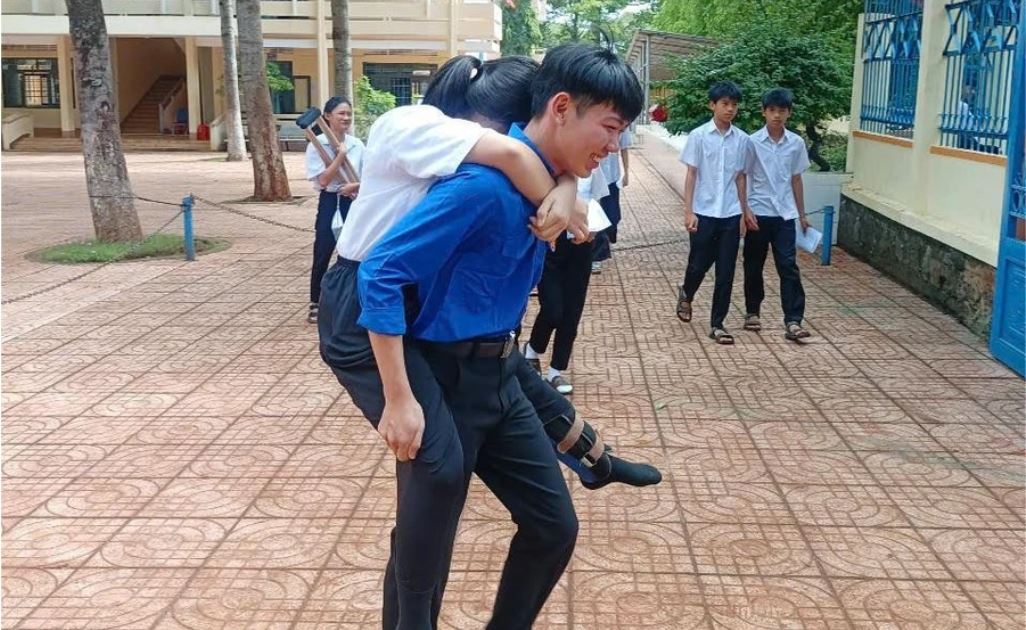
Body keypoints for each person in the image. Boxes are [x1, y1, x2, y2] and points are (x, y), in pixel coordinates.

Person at [318, 53, 659, 630]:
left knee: (550, 517)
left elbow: (565, 185)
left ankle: (595, 459)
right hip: (391, 332)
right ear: (550, 111)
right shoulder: (459, 166)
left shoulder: (543, 181)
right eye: (610, 128)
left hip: (492, 356)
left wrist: (569, 180)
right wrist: (400, 400)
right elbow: (380, 274)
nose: (614, 143)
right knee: (436, 492)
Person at [674, 80, 755, 345]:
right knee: (698, 264)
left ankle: (718, 324)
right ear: (713, 105)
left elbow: (741, 178)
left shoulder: (742, 139)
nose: (730, 109)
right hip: (704, 211)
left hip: (730, 213)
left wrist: (744, 211)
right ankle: (686, 292)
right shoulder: (699, 136)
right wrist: (689, 211)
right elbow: (691, 174)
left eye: (734, 105)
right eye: (725, 104)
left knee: (726, 270)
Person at [524, 168, 609, 394]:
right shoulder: (549, 168)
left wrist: (594, 228)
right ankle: (532, 349)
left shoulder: (593, 168)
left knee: (572, 311)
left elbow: (596, 200)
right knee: (553, 309)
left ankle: (556, 371)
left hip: (581, 244)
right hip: (551, 243)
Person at [742, 88, 812, 341]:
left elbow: (796, 179)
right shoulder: (752, 142)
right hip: (758, 212)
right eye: (772, 110)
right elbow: (744, 177)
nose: (777, 115)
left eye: (782, 110)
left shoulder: (795, 143)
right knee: (753, 264)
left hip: (784, 214)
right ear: (764, 112)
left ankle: (793, 319)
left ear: (789, 113)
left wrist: (802, 214)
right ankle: (752, 312)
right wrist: (745, 211)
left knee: (788, 266)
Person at [305, 96, 363, 323]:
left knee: (354, 251)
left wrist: (356, 187)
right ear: (327, 116)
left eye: (349, 113)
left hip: (354, 201)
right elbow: (323, 180)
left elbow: (367, 176)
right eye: (341, 113)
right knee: (323, 250)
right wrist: (340, 155)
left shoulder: (358, 144)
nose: (346, 118)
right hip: (330, 200)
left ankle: (350, 301)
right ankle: (315, 302)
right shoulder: (316, 144)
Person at [591, 126, 632, 274]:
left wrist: (626, 173)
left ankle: (606, 241)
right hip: (594, 175)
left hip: (612, 177)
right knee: (597, 216)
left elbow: (624, 149)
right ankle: (596, 256)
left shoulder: (623, 123)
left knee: (613, 216)